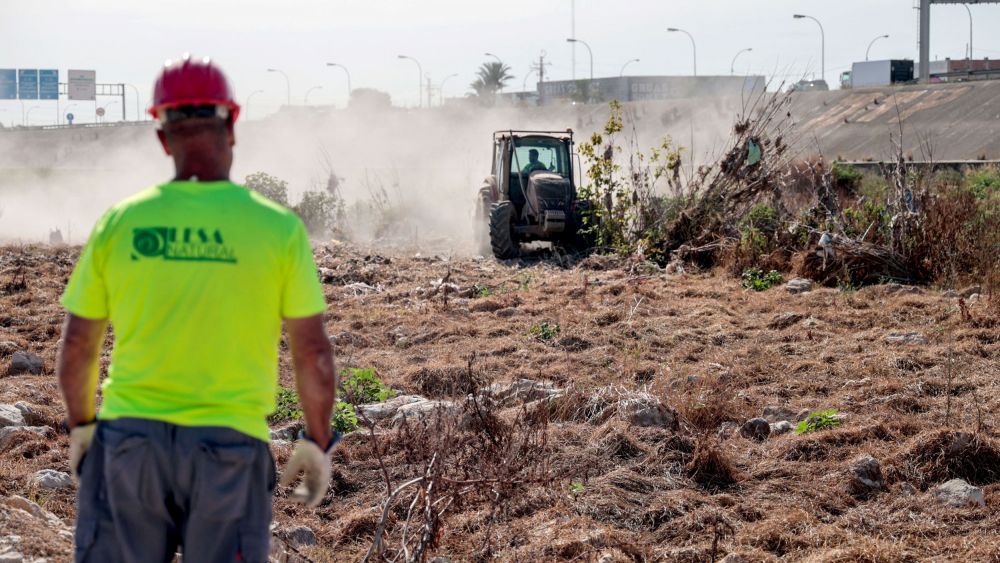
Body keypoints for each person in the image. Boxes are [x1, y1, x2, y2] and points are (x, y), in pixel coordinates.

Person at [57, 54, 338, 563]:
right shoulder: (278, 230)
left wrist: (81, 429)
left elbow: (78, 346)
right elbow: (313, 353)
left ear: (163, 137)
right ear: (231, 125)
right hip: (230, 453)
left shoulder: (120, 223)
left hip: (128, 446)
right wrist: (316, 441)